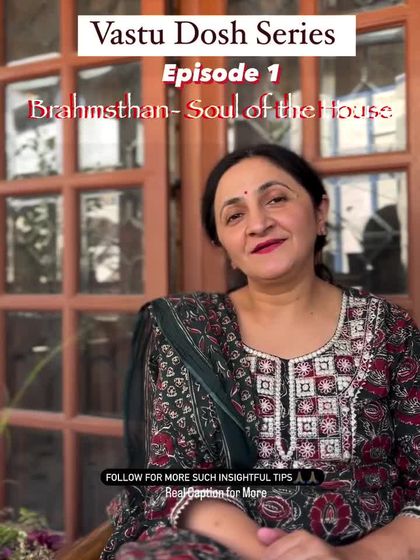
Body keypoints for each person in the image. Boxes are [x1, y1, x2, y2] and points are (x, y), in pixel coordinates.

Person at [101, 144, 420, 560]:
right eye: (235, 216)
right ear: (223, 245)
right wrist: (271, 554)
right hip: (224, 544)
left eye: (276, 199)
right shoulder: (195, 328)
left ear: (319, 213)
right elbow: (175, 478)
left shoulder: (389, 330)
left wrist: (345, 558)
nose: (258, 224)